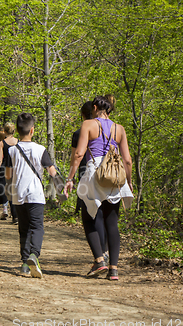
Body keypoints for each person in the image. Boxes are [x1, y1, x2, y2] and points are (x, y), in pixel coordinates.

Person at [64, 96, 134, 281]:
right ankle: (114, 269)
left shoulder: (88, 124)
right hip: (115, 176)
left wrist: (70, 178)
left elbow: (79, 153)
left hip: (94, 174)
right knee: (112, 222)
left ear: (94, 108)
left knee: (89, 217)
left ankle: (99, 259)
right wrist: (129, 180)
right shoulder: (119, 129)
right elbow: (127, 160)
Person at [5, 113, 57, 278]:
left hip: (18, 194)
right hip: (35, 194)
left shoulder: (12, 150)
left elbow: (7, 175)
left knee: (24, 229)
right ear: (32, 130)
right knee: (37, 227)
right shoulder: (40, 149)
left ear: (17, 131)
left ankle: (24, 263)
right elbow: (52, 171)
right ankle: (34, 255)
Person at [72, 101, 109, 266]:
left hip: (86, 173)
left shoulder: (79, 132)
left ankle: (100, 255)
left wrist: (70, 178)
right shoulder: (107, 129)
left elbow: (76, 156)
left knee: (90, 214)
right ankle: (105, 251)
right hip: (107, 174)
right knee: (103, 212)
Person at [0, 123, 19, 224]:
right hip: (16, 167)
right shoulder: (18, 142)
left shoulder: (2, 143)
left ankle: (15, 215)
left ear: (4, 132)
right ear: (14, 131)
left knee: (9, 191)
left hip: (5, 168)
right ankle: (17, 215)